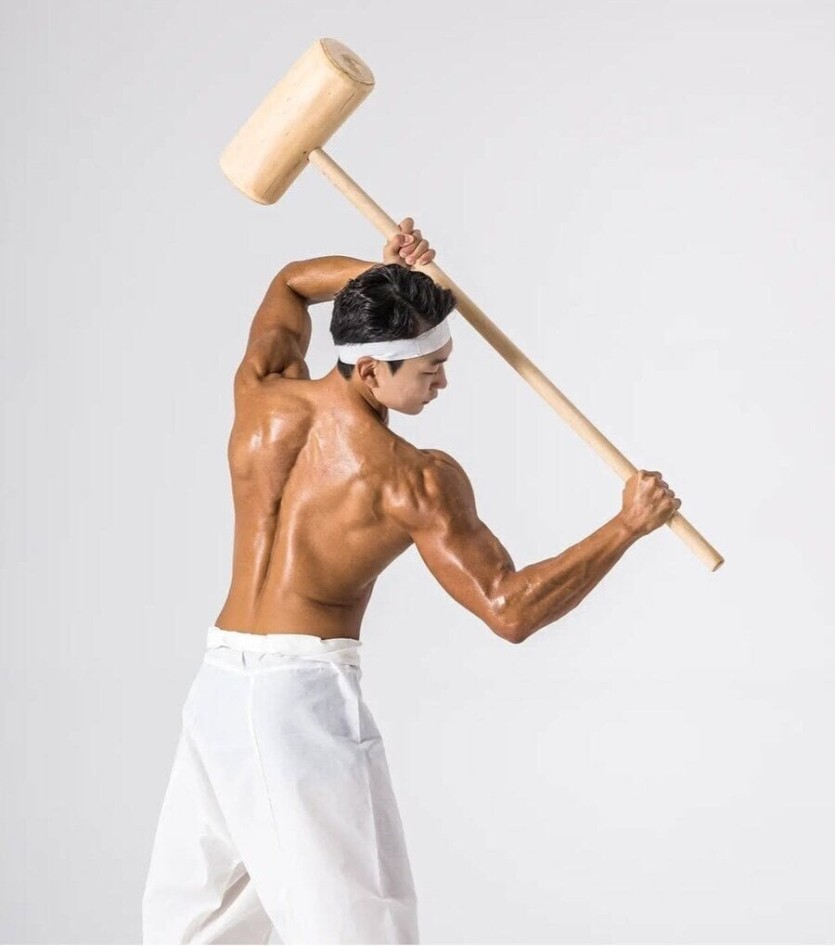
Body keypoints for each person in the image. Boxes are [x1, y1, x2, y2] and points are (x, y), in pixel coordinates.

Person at [141, 218, 681, 944]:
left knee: (198, 927)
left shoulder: (262, 396)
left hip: (218, 688)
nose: (443, 383)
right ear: (370, 372)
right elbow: (510, 610)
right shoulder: (412, 480)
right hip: (298, 705)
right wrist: (626, 527)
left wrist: (381, 279)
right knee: (361, 927)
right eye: (429, 369)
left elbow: (291, 284)